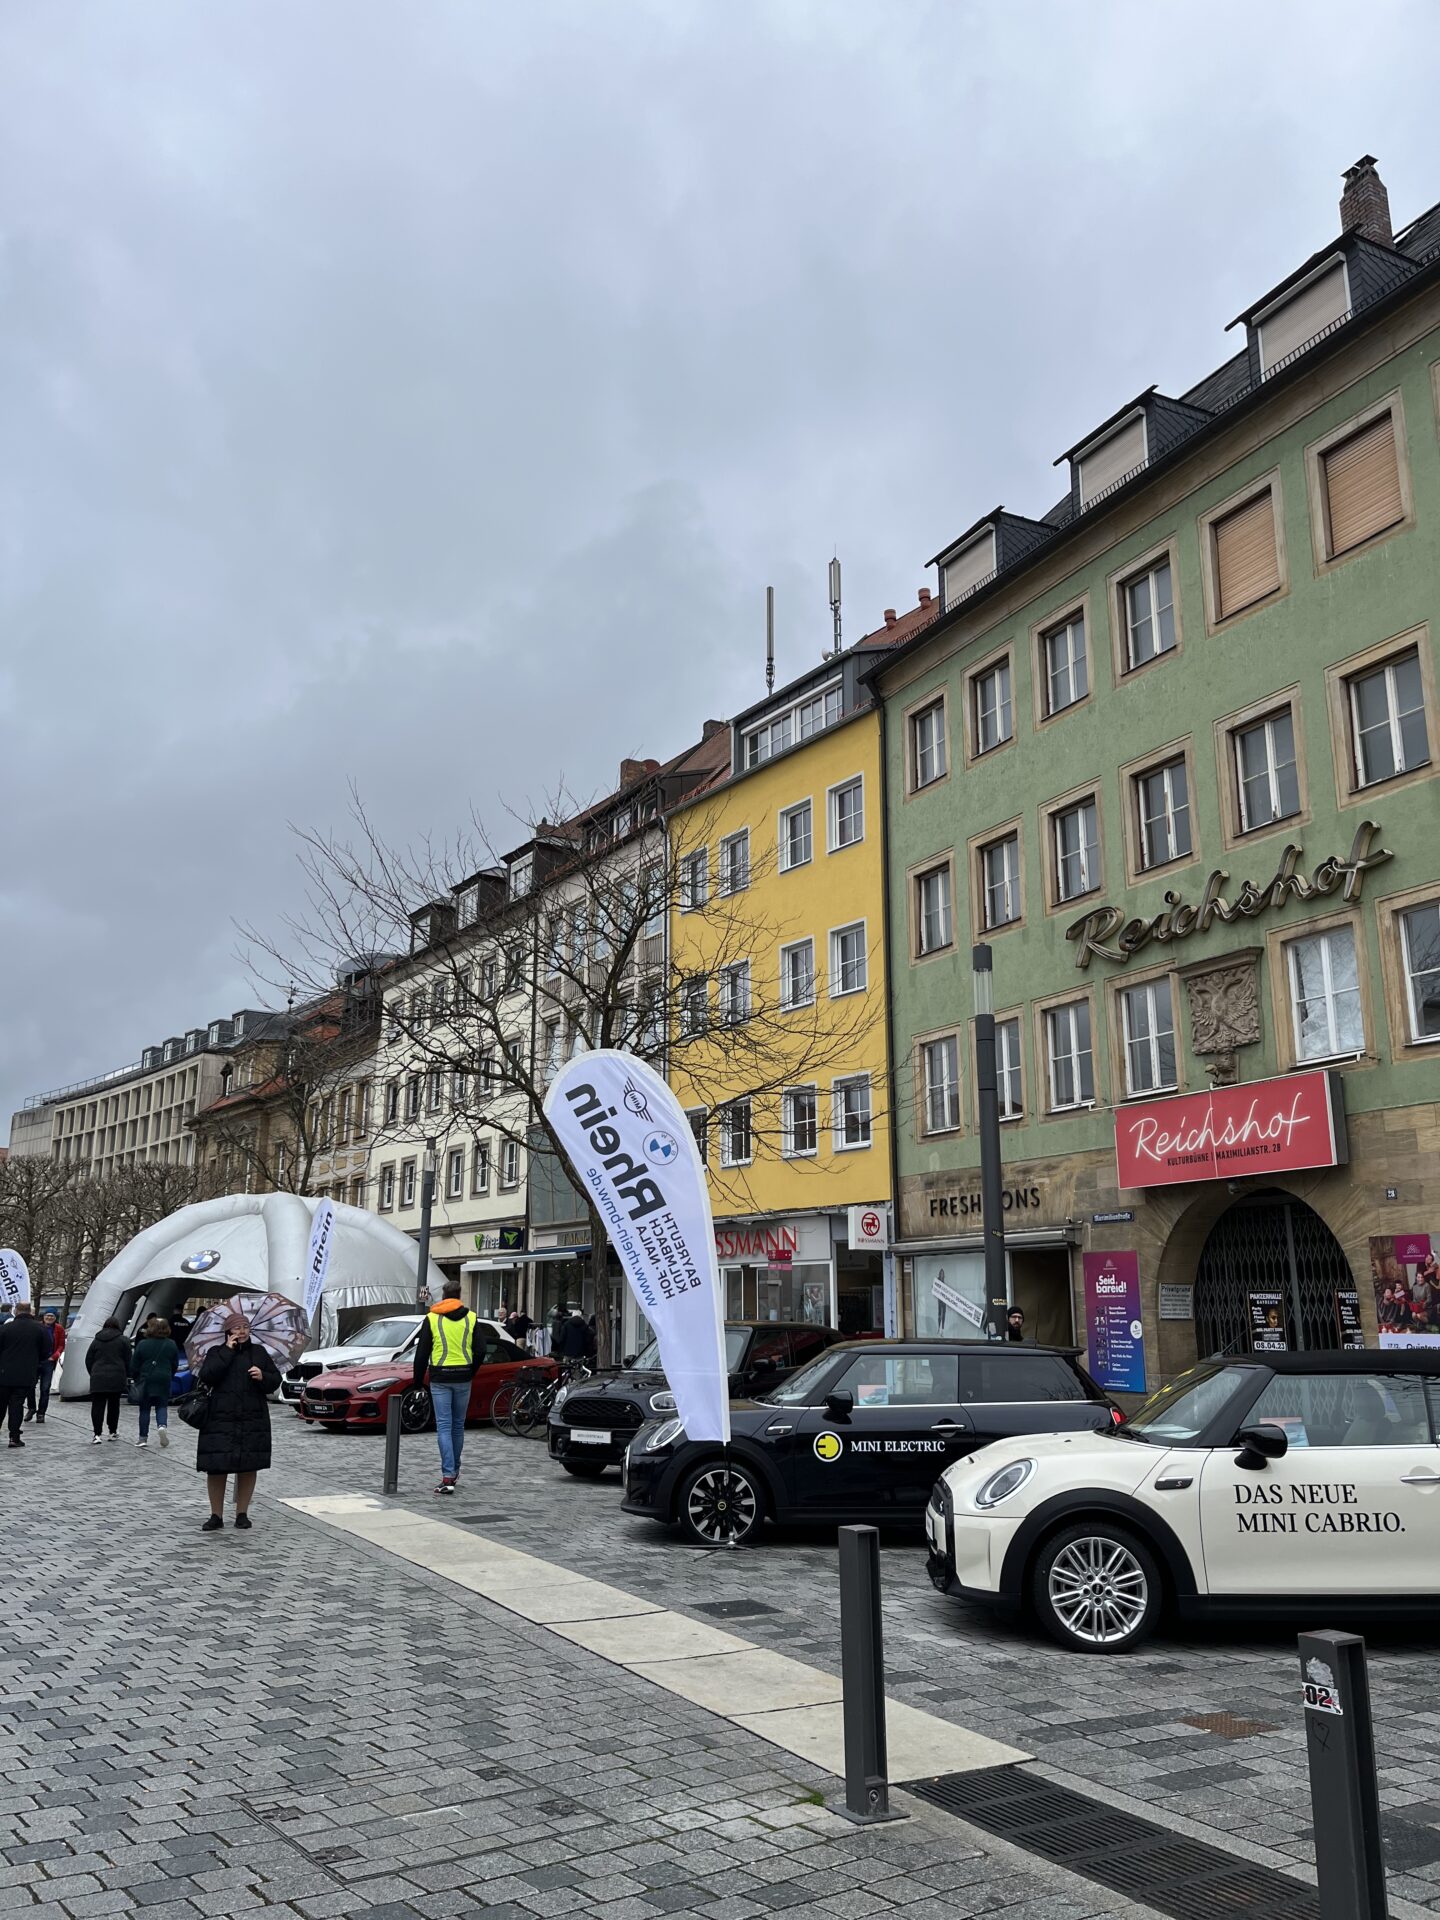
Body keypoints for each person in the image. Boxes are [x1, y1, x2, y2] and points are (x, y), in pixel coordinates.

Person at [197, 1313, 280, 1531]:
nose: (241, 1331)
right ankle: (216, 1515)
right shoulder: (216, 1352)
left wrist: (263, 1376)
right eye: (236, 1328)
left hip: (251, 1418)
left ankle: (242, 1513)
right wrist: (227, 1351)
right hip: (219, 1419)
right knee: (216, 1467)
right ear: (228, 1331)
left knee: (248, 1466)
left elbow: (275, 1380)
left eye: (245, 1327)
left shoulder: (258, 1352)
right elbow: (207, 1376)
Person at [412, 1290, 481, 1496]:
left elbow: (422, 1353)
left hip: (440, 1377)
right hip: (463, 1376)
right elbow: (481, 1349)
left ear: (443, 1295)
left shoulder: (432, 1318)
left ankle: (448, 1476)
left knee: (444, 1425)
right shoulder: (471, 1317)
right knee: (458, 1425)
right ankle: (454, 1471)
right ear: (459, 1296)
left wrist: (417, 1383)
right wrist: (471, 1371)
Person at [0, 1303, 52, 1448]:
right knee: (17, 1406)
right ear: (30, 1312)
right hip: (26, 1373)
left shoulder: (5, 1328)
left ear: (16, 1311)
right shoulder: (40, 1329)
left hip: (4, 1373)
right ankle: (14, 1437)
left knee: (1, 1405)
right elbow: (46, 1351)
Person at [131, 1315, 181, 1449]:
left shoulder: (143, 1344)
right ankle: (162, 1425)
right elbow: (175, 1364)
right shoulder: (171, 1344)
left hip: (146, 1379)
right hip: (164, 1378)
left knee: (145, 1408)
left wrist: (136, 1378)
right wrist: (169, 1375)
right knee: (162, 1405)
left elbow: (134, 1365)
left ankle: (143, 1438)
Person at [86, 1317, 134, 1443]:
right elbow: (128, 1360)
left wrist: (93, 1372)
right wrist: (127, 1374)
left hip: (98, 1376)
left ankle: (97, 1434)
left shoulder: (96, 1340)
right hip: (117, 1376)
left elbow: (88, 1359)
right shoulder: (123, 1340)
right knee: (114, 1405)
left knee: (97, 1405)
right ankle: (112, 1431)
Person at [26, 1309, 65, 1424]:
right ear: (43, 1317)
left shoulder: (59, 1329)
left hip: (49, 1361)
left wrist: (54, 1356)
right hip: (35, 1361)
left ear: (55, 1317)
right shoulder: (37, 1327)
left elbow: (61, 1345)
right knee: (30, 1386)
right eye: (47, 1315)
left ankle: (41, 1413)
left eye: (52, 1316)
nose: (49, 1318)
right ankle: (31, 1408)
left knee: (45, 1388)